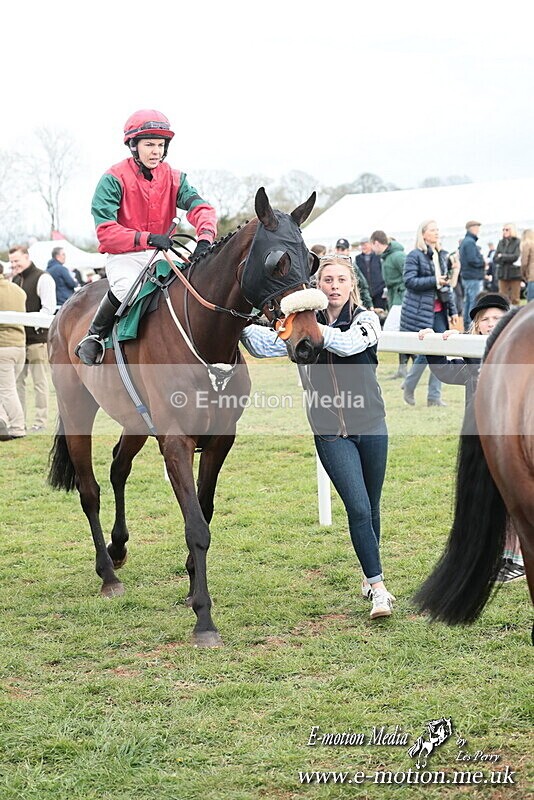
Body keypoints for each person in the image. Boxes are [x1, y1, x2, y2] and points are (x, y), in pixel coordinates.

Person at [240, 256, 395, 620]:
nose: (335, 285)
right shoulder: (300, 325)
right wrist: (239, 322)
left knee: (371, 507)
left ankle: (368, 571)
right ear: (316, 287)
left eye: (342, 279)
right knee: (357, 508)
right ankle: (379, 590)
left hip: (372, 425)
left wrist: (310, 333)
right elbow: (262, 345)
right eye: (327, 280)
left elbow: (350, 345)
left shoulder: (366, 319)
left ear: (352, 284)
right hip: (329, 432)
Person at [75, 109, 218, 366]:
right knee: (127, 289)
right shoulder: (112, 179)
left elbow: (202, 209)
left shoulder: (175, 178)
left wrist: (205, 238)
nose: (156, 151)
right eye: (149, 144)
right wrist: (148, 238)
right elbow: (106, 233)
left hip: (162, 252)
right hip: (125, 255)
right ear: (133, 145)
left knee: (201, 285)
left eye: (160, 145)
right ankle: (95, 335)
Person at [418, 291, 525, 583]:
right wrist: (432, 344)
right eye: (484, 320)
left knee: (511, 496)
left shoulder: (519, 351)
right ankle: (501, 555)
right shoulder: (472, 356)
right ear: (476, 328)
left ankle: (517, 557)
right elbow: (447, 373)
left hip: (513, 437)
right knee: (489, 496)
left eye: (497, 318)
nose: (491, 323)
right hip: (480, 435)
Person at [400, 220, 458, 407]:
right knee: (427, 352)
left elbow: (446, 286)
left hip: (440, 311)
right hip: (421, 311)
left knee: (440, 352)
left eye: (437, 229)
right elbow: (409, 281)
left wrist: (453, 310)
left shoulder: (441, 255)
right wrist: (434, 280)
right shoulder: (414, 255)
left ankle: (434, 396)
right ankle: (409, 385)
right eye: (433, 230)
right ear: (423, 234)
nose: (437, 233)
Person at [10, 245, 56, 432]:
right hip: (19, 341)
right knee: (17, 383)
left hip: (37, 340)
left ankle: (40, 421)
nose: (14, 265)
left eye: (16, 261)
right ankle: (20, 420)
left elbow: (48, 309)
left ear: (27, 257)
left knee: (39, 383)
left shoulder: (43, 278)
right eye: (11, 261)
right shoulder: (14, 279)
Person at [370, 230, 410, 379]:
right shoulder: (386, 257)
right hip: (394, 298)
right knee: (400, 333)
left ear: (376, 243)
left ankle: (411, 364)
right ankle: (403, 367)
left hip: (401, 298)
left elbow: (408, 277)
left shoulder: (398, 256)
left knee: (390, 330)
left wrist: (402, 292)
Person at [0, 263, 27, 440]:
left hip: (3, 346)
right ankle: (3, 422)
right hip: (19, 346)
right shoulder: (18, 290)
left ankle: (17, 427)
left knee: (7, 390)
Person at [458, 220, 485, 324]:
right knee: (473, 302)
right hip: (473, 276)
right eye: (477, 227)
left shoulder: (466, 241)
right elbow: (472, 260)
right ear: (472, 228)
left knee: (468, 302)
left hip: (468, 276)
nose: (478, 230)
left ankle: (467, 324)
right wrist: (482, 262)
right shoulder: (470, 242)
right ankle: (470, 325)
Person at [334, 238, 373, 309]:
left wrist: (369, 305)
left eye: (342, 250)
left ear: (348, 251)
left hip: (350, 304)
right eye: (338, 249)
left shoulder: (352, 266)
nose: (340, 252)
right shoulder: (330, 267)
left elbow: (363, 286)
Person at [355, 237, 387, 310]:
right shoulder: (358, 258)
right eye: (362, 245)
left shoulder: (378, 256)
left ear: (370, 244)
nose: (363, 247)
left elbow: (384, 272)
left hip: (379, 291)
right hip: (366, 293)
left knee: (381, 315)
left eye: (365, 244)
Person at [494, 223, 521, 306]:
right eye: (503, 229)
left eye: (507, 229)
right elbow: (495, 258)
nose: (504, 231)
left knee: (515, 298)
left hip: (515, 274)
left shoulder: (518, 242)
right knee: (502, 298)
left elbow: (515, 256)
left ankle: (516, 317)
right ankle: (504, 316)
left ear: (512, 230)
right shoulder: (500, 242)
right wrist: (505, 257)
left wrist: (502, 256)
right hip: (502, 274)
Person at [520, 228, 534, 302]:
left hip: (532, 276)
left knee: (530, 303)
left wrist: (523, 274)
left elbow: (524, 262)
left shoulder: (527, 244)